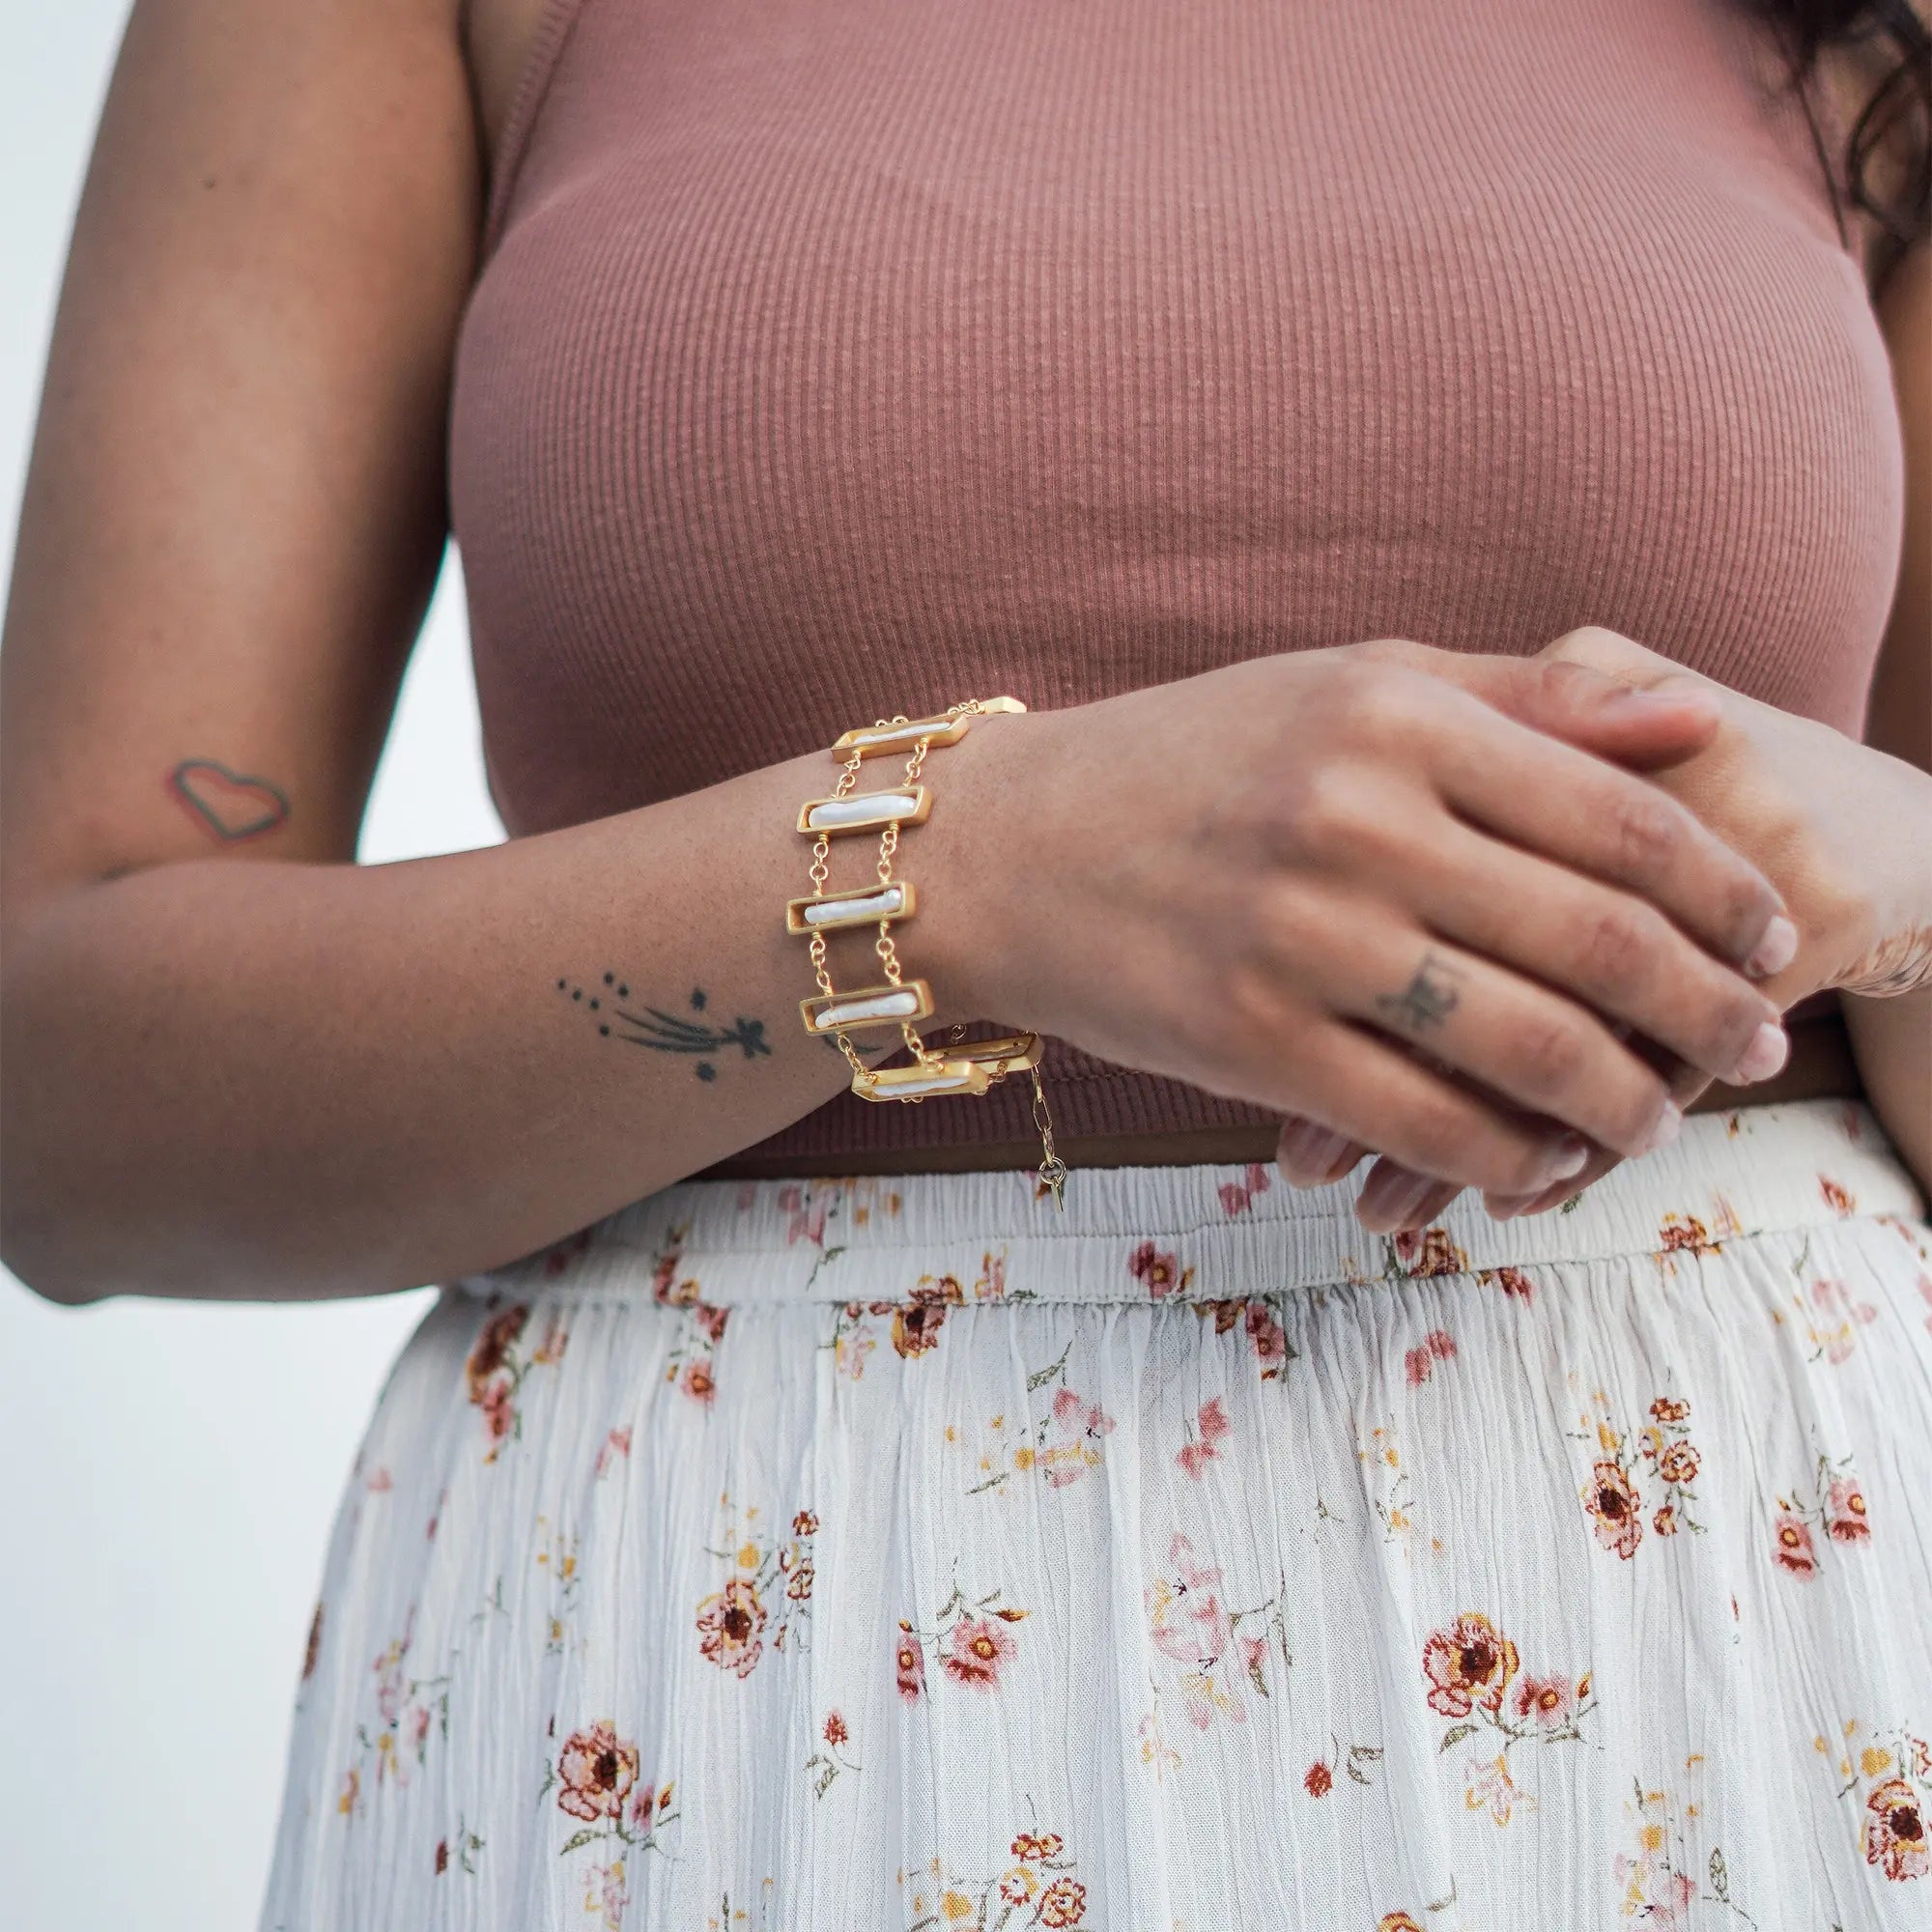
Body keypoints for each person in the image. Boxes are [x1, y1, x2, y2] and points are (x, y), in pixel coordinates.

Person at [3, 0, 1928, 1924]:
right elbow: (62, 1091)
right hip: (743, 1692)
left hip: (1729, 1645)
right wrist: (961, 866)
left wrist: (1906, 869)